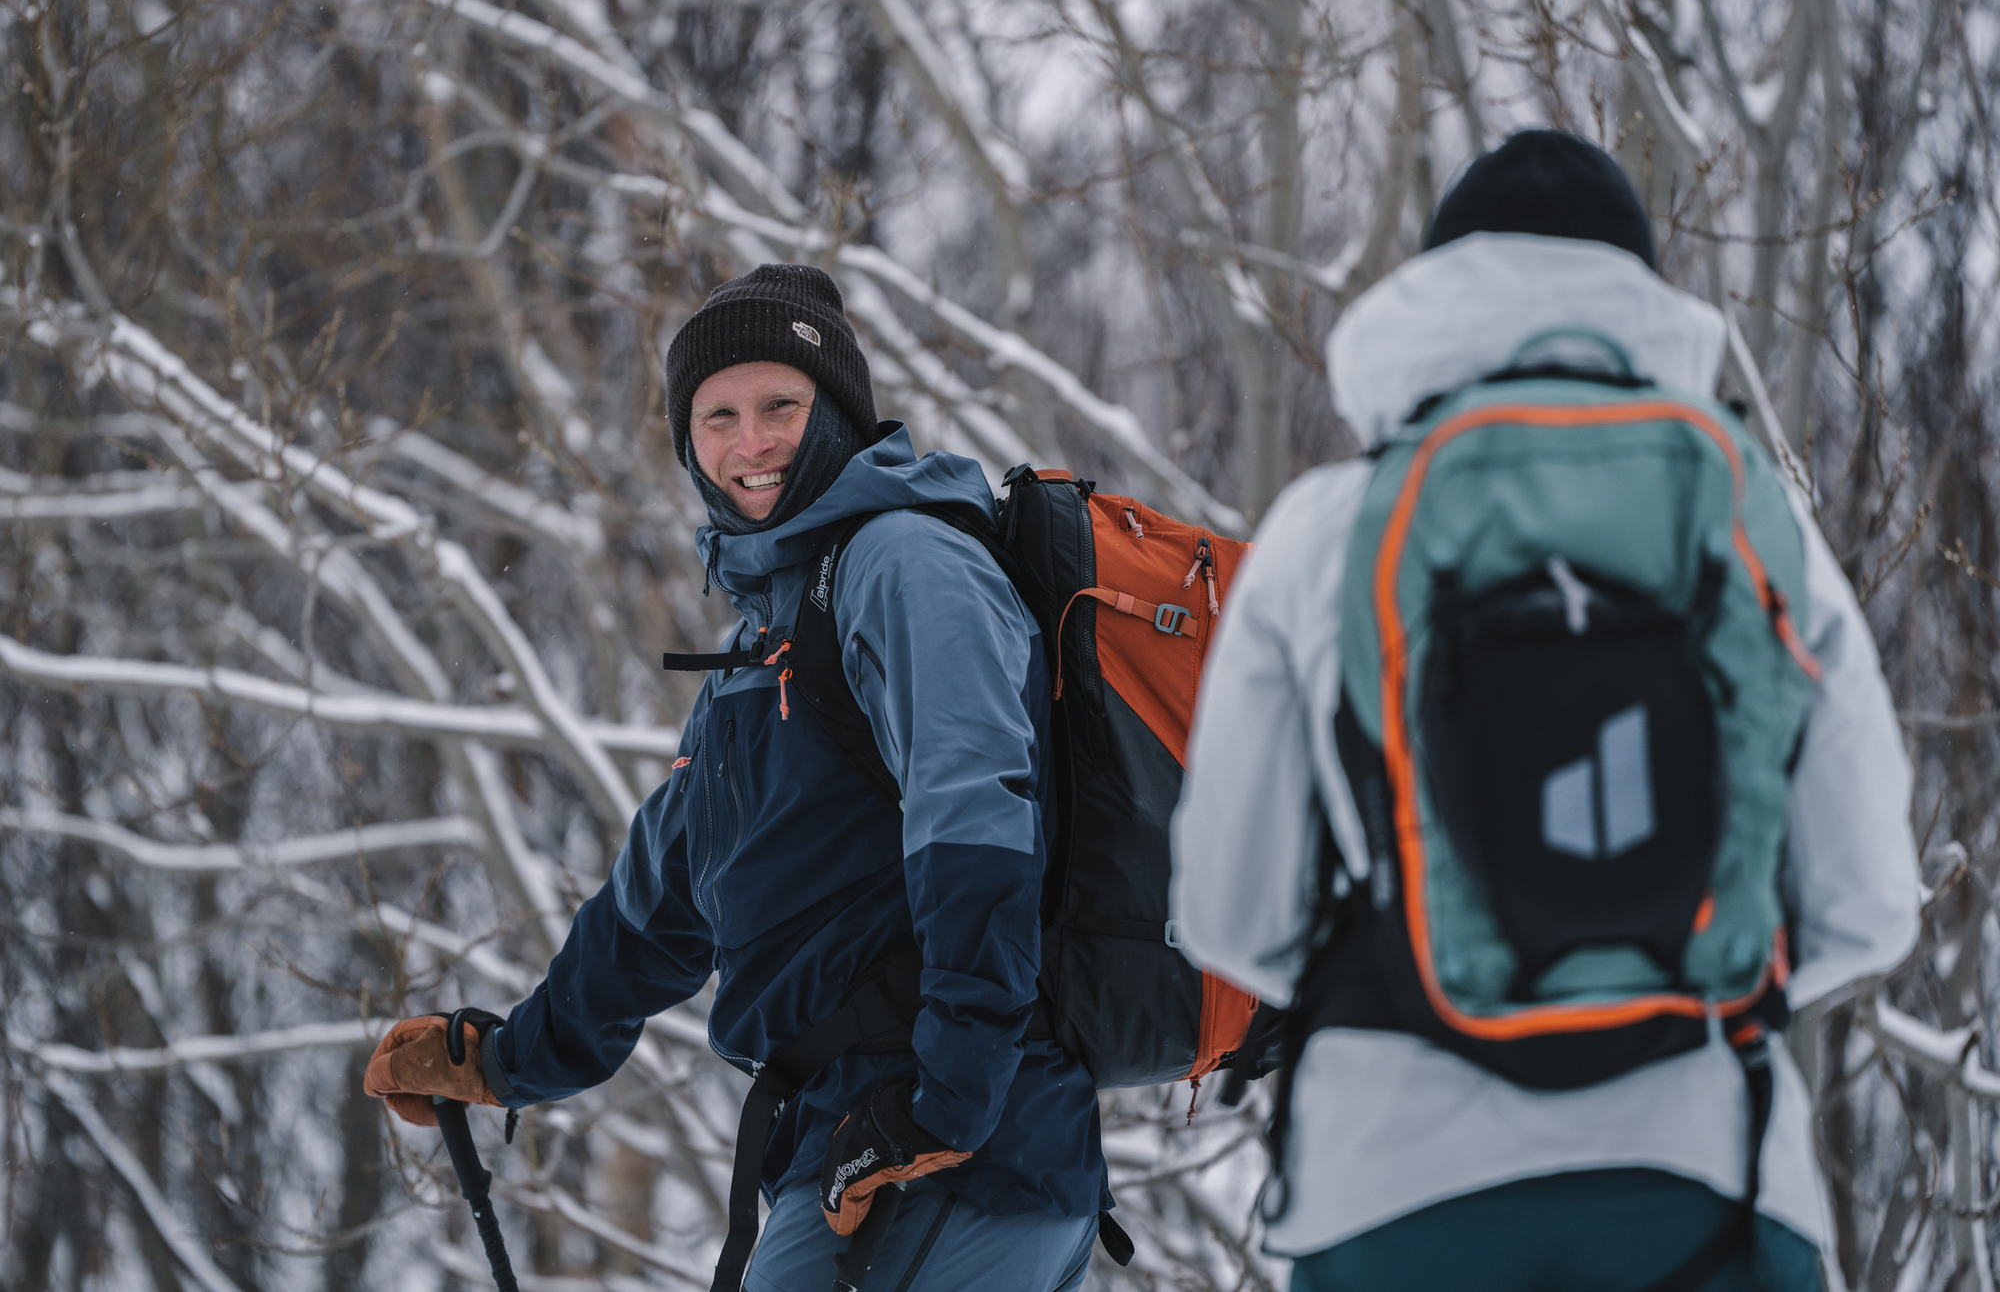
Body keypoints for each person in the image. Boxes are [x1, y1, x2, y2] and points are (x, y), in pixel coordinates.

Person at [1170, 131, 1920, 1291]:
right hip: (1708, 1174)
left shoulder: (1326, 529)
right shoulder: (1746, 514)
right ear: (1639, 292)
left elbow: (1235, 921)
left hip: (1391, 1189)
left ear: (1430, 294)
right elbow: (1868, 905)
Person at [363, 264, 1106, 1291]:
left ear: (838, 413)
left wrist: (946, 1105)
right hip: (852, 1151)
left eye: (779, 407)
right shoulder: (760, 650)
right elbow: (655, 909)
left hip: (957, 1156)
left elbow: (978, 818)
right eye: (716, 416)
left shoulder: (901, 564)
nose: (747, 443)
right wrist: (502, 1061)